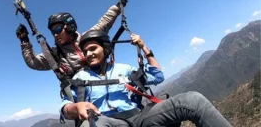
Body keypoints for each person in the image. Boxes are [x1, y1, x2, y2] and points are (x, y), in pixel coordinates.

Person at [60, 30, 232, 127]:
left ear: (105, 49)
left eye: (93, 48)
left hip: (139, 117)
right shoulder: (80, 77)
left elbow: (157, 76)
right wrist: (76, 106)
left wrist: (144, 48)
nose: (89, 54)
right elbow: (65, 108)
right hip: (107, 122)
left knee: (193, 100)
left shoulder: (124, 69)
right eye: (86, 51)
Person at [15, 0, 127, 79]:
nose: (55, 34)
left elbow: (104, 23)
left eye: (58, 29)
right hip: (81, 96)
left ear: (69, 27)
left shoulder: (87, 38)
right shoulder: (55, 55)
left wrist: (117, 7)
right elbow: (33, 62)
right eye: (53, 32)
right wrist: (24, 40)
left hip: (105, 82)